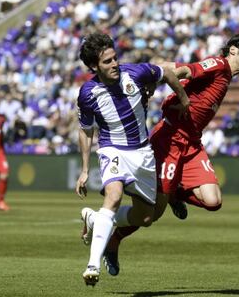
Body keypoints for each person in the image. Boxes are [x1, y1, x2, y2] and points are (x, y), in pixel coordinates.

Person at [102, 33, 239, 276]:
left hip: (192, 143)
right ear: (232, 50)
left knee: (213, 201)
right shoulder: (218, 65)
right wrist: (154, 84)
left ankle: (176, 192)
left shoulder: (226, 76)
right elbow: (175, 70)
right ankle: (113, 240)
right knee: (152, 215)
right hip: (170, 140)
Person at [75, 32, 189, 286]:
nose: (114, 64)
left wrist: (183, 98)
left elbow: (167, 72)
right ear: (95, 66)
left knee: (146, 218)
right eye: (107, 62)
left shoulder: (136, 73)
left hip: (142, 153)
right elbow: (85, 130)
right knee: (113, 197)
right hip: (112, 150)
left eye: (115, 58)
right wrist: (84, 170)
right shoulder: (88, 93)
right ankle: (93, 264)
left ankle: (94, 219)